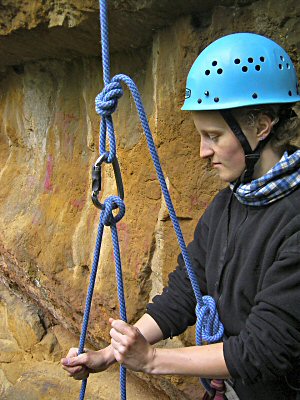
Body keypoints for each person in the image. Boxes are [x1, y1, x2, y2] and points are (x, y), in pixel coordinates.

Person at [61, 33, 300, 399]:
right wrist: (111, 355)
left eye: (214, 136)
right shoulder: (228, 205)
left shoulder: (293, 221)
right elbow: (185, 294)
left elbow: (265, 349)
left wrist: (153, 360)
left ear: (262, 126)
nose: (203, 152)